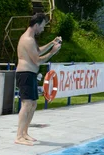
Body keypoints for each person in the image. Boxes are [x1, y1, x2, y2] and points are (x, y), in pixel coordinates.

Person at [15, 13, 62, 146]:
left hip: (30, 74)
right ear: (36, 25)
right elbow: (37, 60)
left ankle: (24, 133)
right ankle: (18, 136)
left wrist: (51, 44)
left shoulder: (31, 39)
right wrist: (52, 52)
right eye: (42, 26)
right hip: (25, 74)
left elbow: (37, 51)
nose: (42, 29)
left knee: (33, 104)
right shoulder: (27, 40)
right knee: (27, 104)